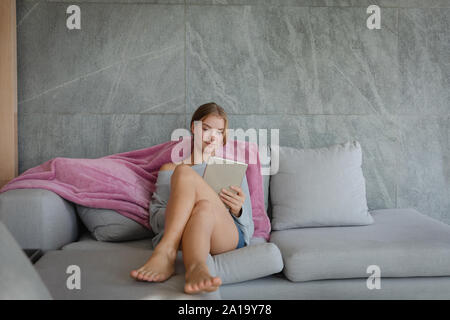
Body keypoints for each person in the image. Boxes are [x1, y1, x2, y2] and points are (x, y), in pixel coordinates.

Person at [130, 102, 254, 294]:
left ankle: (166, 253)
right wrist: (186, 209)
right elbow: (155, 221)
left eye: (219, 132)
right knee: (201, 204)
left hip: (225, 235)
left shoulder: (231, 170)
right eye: (206, 129)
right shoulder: (169, 169)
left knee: (184, 174)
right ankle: (197, 268)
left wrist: (239, 210)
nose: (213, 136)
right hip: (187, 232)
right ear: (193, 128)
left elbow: (249, 229)